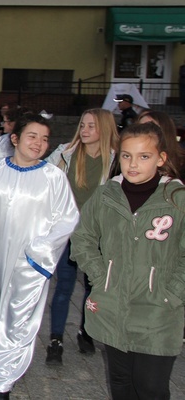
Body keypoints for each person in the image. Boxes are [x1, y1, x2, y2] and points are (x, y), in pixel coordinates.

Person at [0, 114, 80, 399]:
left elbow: (68, 218)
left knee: (16, 320)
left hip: (32, 264)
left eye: (45, 138)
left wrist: (41, 250)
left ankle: (1, 386)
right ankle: (10, 371)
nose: (39, 143)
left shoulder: (53, 177)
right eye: (33, 136)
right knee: (5, 317)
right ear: (15, 139)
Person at [71, 122, 185, 400]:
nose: (133, 164)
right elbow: (83, 239)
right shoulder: (105, 195)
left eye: (144, 156)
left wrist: (173, 291)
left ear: (161, 159)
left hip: (158, 310)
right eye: (126, 155)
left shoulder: (176, 199)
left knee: (150, 388)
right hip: (113, 306)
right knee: (121, 385)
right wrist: (100, 277)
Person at [44, 108, 118, 364]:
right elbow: (42, 178)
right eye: (82, 125)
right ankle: (56, 340)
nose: (84, 130)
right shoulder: (66, 153)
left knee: (92, 287)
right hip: (67, 232)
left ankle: (85, 332)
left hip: (97, 236)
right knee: (63, 286)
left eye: (91, 126)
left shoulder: (115, 160)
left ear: (105, 129)